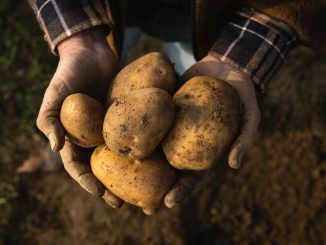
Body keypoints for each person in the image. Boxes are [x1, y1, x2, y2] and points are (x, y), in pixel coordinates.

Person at [28, 0, 325, 214]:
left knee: (189, 68)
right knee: (94, 71)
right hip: (105, 8)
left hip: (218, 16)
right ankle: (59, 146)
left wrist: (240, 59)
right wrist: (76, 37)